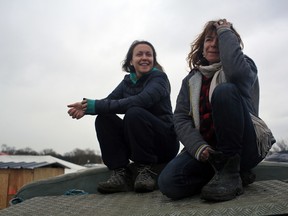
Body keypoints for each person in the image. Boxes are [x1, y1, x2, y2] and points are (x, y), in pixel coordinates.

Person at [158, 19, 275, 201]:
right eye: (208, 40)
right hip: (210, 153)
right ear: (202, 46)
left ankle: (233, 172)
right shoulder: (190, 80)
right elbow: (180, 118)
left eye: (219, 40)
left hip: (244, 148)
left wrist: (225, 31)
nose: (213, 45)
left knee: (224, 92)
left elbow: (236, 74)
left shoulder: (245, 66)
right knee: (168, 184)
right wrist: (198, 146)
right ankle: (227, 177)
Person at [67, 40, 179, 194]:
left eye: (149, 54)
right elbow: (109, 102)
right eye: (139, 54)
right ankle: (120, 173)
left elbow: (141, 101)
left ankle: (145, 171)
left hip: (164, 143)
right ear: (131, 61)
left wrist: (95, 105)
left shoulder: (159, 79)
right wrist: (87, 107)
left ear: (154, 60)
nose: (144, 57)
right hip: (139, 143)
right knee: (104, 117)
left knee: (134, 112)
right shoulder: (127, 82)